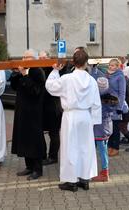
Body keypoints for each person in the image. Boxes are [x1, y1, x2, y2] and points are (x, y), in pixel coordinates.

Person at [46, 50, 101, 192]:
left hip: (71, 116)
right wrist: (94, 121)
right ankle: (84, 179)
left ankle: (71, 181)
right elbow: (96, 103)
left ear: (73, 62)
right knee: (85, 147)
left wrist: (54, 71)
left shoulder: (67, 79)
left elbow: (50, 87)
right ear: (86, 62)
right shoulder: (91, 80)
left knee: (70, 147)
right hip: (85, 117)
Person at [10, 49, 46, 180]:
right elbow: (14, 86)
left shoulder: (38, 72)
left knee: (34, 140)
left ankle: (38, 169)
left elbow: (36, 91)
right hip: (22, 111)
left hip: (34, 112)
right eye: (23, 57)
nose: (24, 60)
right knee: (24, 138)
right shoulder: (22, 70)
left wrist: (25, 76)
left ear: (34, 59)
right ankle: (29, 166)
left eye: (27, 58)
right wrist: (16, 74)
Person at [39, 50, 62, 165]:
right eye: (40, 58)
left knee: (54, 133)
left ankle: (53, 157)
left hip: (53, 106)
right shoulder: (38, 69)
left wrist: (57, 69)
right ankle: (42, 154)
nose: (42, 60)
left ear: (48, 58)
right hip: (43, 106)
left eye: (44, 58)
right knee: (40, 131)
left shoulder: (55, 69)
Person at [105, 58, 126, 157]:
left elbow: (122, 93)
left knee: (115, 128)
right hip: (107, 104)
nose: (110, 66)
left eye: (113, 65)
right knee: (108, 127)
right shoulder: (106, 74)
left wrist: (120, 107)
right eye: (110, 65)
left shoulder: (120, 76)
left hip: (116, 104)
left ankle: (116, 148)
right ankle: (109, 146)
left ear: (118, 67)